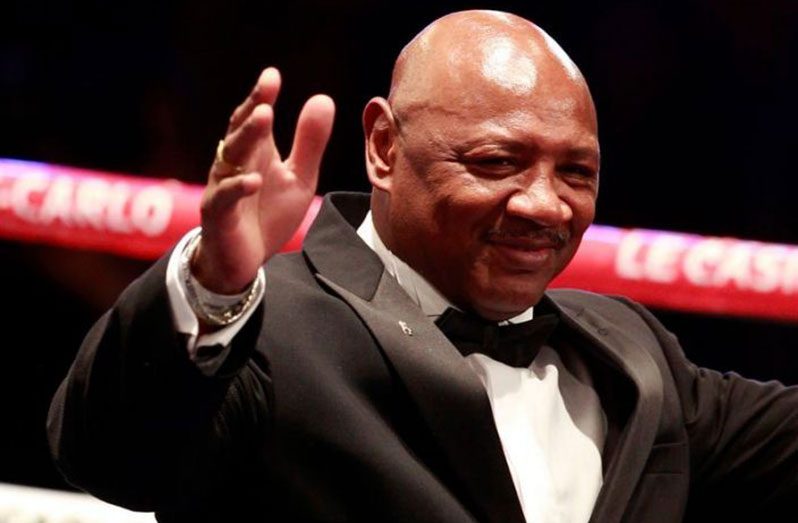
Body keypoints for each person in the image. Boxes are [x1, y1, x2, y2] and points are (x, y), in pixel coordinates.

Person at [48, 10, 798, 523]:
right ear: (382, 147)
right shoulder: (273, 331)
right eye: (498, 161)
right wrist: (213, 285)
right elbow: (110, 453)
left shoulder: (631, 351)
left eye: (577, 172)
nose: (546, 204)